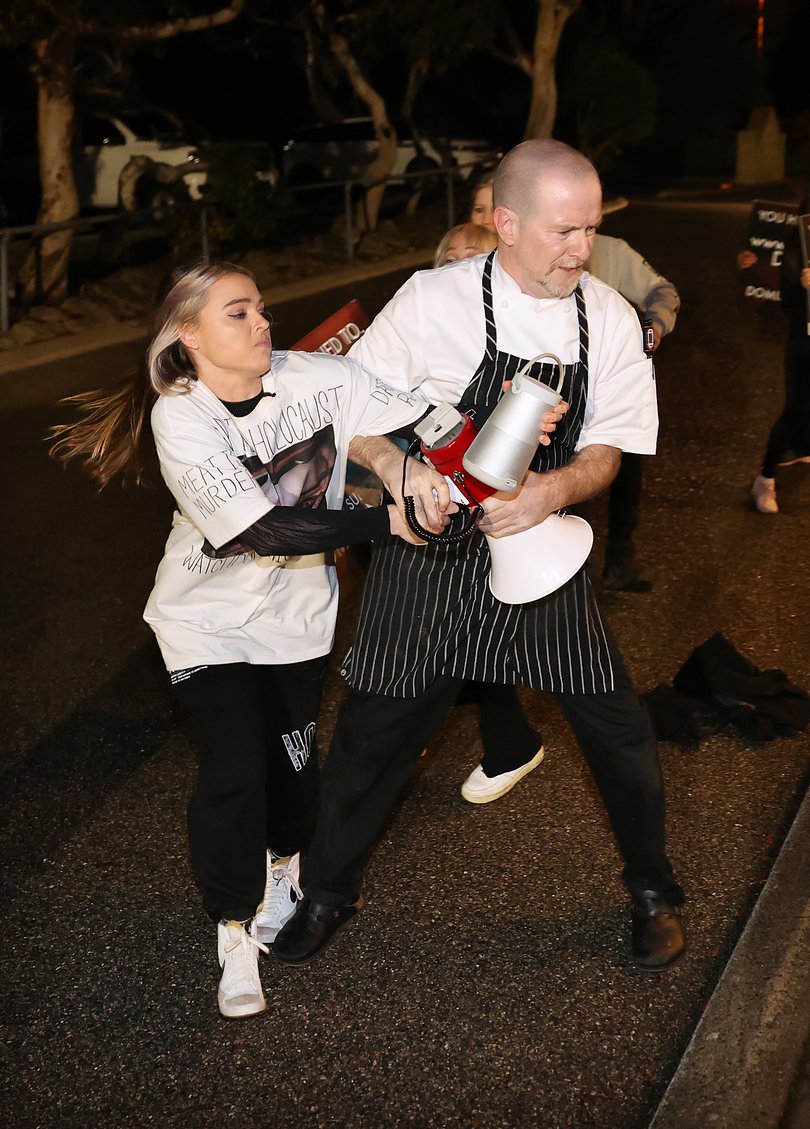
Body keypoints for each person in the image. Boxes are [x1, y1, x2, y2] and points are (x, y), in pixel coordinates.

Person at [273, 140, 686, 975]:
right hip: (428, 553)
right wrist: (397, 464)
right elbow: (343, 405)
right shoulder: (433, 300)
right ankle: (326, 893)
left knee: (618, 730)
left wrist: (552, 490)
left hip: (538, 549)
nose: (582, 248)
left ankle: (651, 889)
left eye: (591, 230)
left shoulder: (605, 315)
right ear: (505, 222)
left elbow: (609, 447)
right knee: (371, 731)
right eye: (565, 230)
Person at [46, 259, 457, 1020]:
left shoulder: (314, 375)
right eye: (239, 313)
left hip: (298, 621)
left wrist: (451, 447)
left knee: (294, 775)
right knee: (236, 769)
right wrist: (384, 517)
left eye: (261, 308)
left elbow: (408, 424)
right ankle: (233, 927)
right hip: (203, 622)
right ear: (189, 335)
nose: (263, 322)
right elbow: (263, 528)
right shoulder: (182, 415)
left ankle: (283, 865)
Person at [739, 203, 810, 514]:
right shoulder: (799, 246)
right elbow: (788, 303)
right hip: (805, 339)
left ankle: (803, 446)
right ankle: (765, 479)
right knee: (795, 410)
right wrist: (801, 285)